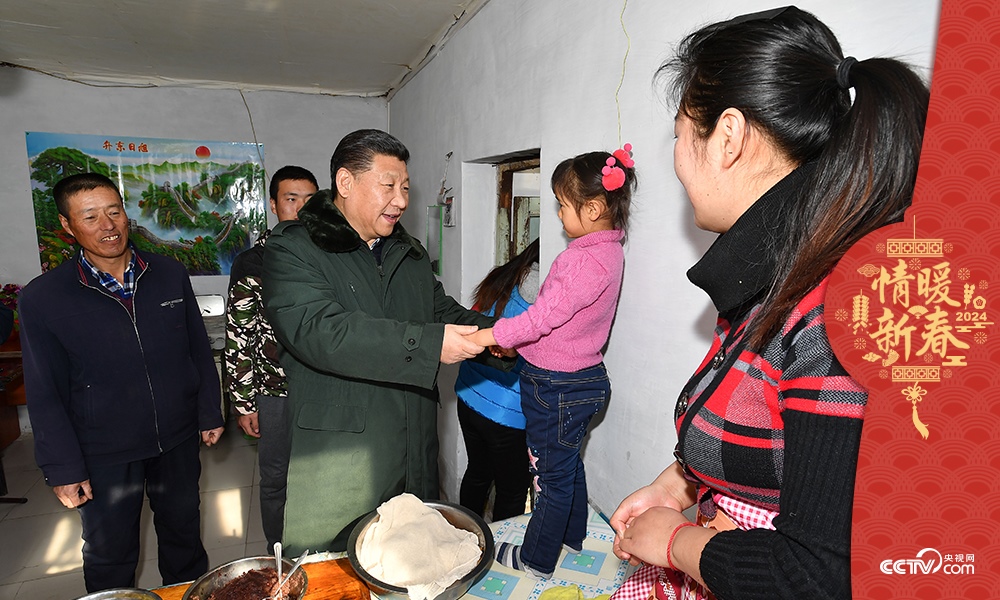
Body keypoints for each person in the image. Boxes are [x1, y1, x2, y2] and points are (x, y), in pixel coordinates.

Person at [609, 7, 929, 600]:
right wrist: (677, 486)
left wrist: (674, 541)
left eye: (680, 136)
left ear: (727, 137)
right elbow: (771, 445)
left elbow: (819, 576)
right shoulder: (781, 279)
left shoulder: (835, 311)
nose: (677, 160)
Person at [261, 128, 502, 554]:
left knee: (411, 559)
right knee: (340, 566)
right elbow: (320, 330)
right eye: (388, 186)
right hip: (344, 452)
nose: (402, 200)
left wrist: (504, 335)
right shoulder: (295, 249)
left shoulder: (405, 253)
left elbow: (439, 312)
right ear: (345, 183)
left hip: (412, 441)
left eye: (405, 187)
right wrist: (429, 345)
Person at [19, 172, 226, 592]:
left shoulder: (168, 273)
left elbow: (197, 350)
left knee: (184, 538)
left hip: (177, 438)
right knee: (110, 553)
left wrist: (209, 410)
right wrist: (63, 467)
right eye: (90, 216)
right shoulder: (44, 298)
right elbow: (45, 390)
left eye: (114, 211)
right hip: (103, 450)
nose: (107, 225)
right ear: (67, 226)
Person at [469, 147, 636, 578]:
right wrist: (517, 346)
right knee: (566, 465)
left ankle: (535, 559)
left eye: (563, 205)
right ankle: (570, 537)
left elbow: (543, 317)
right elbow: (562, 328)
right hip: (581, 380)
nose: (558, 215)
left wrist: (491, 334)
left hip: (556, 388)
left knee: (549, 477)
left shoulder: (581, 259)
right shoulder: (610, 252)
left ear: (594, 208)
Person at [225, 165, 318, 550]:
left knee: (321, 470)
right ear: (274, 204)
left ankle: (319, 544)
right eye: (290, 199)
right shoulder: (254, 263)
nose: (299, 209)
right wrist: (245, 402)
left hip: (321, 388)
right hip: (273, 389)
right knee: (276, 474)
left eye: (309, 201)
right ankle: (278, 552)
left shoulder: (329, 257)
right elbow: (239, 335)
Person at [456, 238, 539, 522]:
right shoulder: (545, 300)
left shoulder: (502, 277)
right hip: (507, 413)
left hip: (469, 395)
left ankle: (463, 536)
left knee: (478, 472)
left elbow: (474, 324)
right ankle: (501, 552)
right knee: (512, 490)